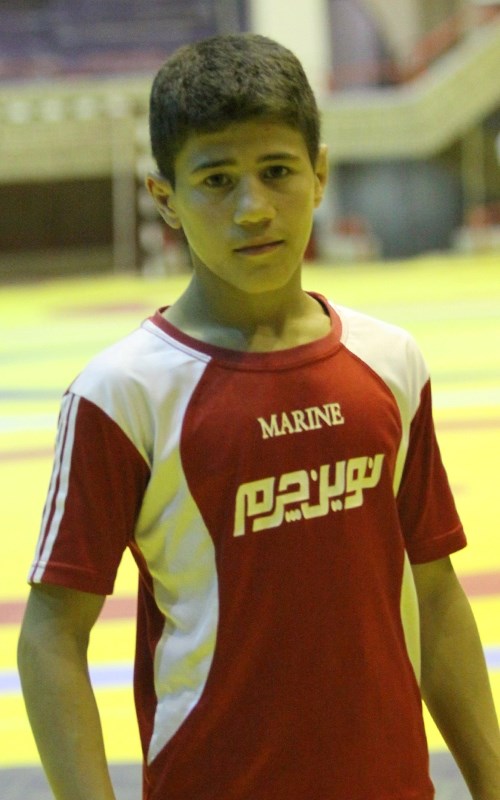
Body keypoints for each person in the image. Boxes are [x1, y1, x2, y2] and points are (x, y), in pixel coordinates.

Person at [17, 33, 500, 800]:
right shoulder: (121, 394)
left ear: (320, 173)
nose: (253, 209)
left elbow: (436, 595)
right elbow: (51, 636)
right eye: (217, 179)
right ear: (164, 197)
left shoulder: (390, 362)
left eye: (277, 171)